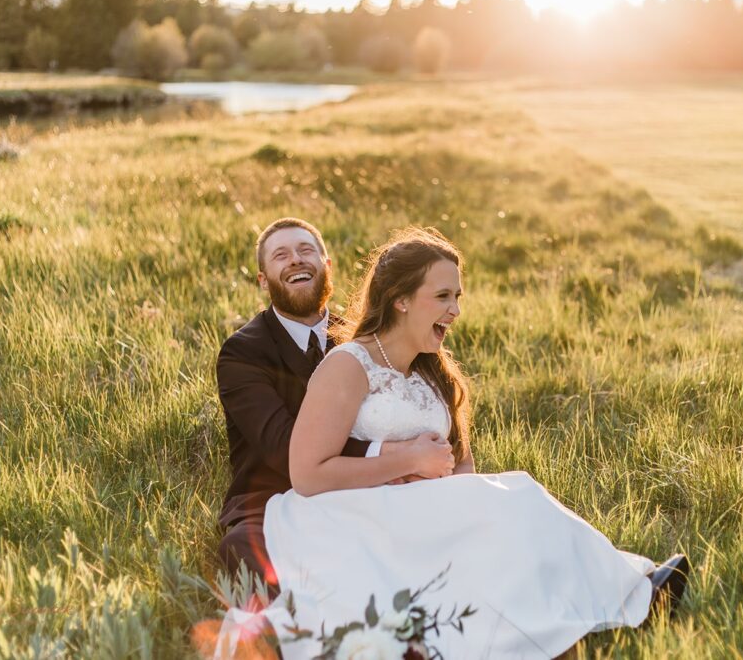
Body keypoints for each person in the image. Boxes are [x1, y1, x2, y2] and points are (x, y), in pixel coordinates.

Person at [258, 227, 691, 659]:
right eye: (443, 296)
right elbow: (308, 474)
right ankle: (624, 594)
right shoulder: (349, 366)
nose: (456, 310)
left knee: (508, 503)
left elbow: (462, 462)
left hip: (424, 505)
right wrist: (406, 464)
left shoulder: (433, 370)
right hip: (351, 511)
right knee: (516, 495)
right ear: (401, 299)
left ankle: (622, 592)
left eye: (458, 297)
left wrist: (453, 493)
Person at [216, 218, 454, 586]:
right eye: (281, 255)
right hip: (270, 495)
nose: (295, 260)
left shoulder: (364, 339)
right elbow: (283, 446)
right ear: (263, 280)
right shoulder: (243, 352)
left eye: (306, 250)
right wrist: (395, 454)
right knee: (245, 550)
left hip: (366, 490)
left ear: (327, 267)